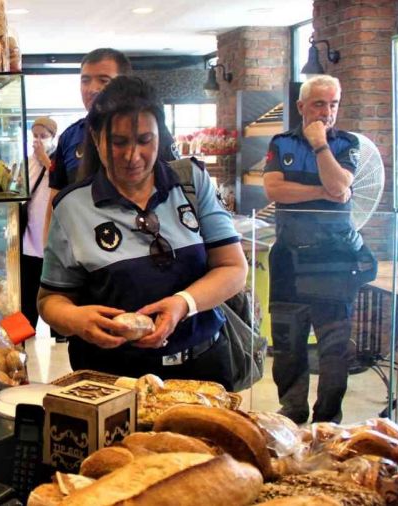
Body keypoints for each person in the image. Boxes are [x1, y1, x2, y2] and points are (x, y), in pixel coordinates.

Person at [38, 76, 247, 389]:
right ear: (95, 137)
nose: (132, 156)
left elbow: (233, 268)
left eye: (145, 140)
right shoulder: (72, 207)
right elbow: (50, 300)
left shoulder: (191, 182)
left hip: (203, 369)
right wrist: (76, 320)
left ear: (159, 135)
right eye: (119, 142)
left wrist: (182, 304)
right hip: (113, 379)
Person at [263, 75, 375, 424]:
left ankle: (327, 418)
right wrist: (322, 192)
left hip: (333, 262)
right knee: (288, 343)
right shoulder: (281, 142)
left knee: (334, 347)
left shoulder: (347, 143)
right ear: (301, 107)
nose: (327, 112)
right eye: (319, 104)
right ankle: (292, 410)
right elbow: (274, 189)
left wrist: (320, 145)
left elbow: (340, 186)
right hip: (289, 259)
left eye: (333, 104)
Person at [45, 48, 179, 241]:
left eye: (103, 80)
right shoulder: (69, 137)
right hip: (85, 241)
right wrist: (49, 247)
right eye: (85, 80)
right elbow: (55, 201)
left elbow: (175, 190)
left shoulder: (155, 135)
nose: (92, 89)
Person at [20, 116, 57, 329]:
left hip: (51, 236)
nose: (38, 140)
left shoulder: (58, 161)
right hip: (29, 235)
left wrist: (45, 159)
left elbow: (64, 183)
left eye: (43, 136)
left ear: (53, 137)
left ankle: (58, 334)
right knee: (28, 293)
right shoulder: (26, 163)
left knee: (54, 292)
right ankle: (27, 331)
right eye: (35, 135)